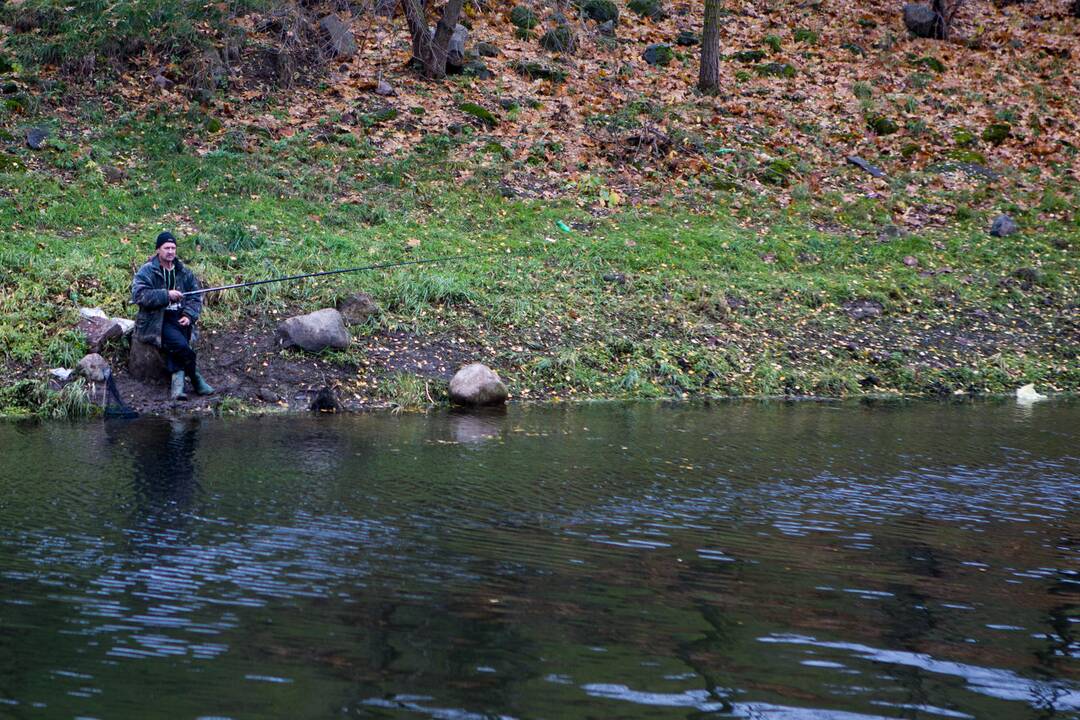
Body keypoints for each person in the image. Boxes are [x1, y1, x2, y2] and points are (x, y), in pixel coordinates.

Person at [131, 231, 214, 401]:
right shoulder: (147, 270)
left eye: (173, 248)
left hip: (180, 316)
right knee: (182, 346)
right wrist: (166, 295)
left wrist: (189, 315)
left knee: (179, 342)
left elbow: (196, 297)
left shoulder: (183, 271)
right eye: (166, 248)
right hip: (157, 319)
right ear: (158, 250)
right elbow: (139, 295)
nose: (170, 251)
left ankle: (178, 387)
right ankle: (196, 378)